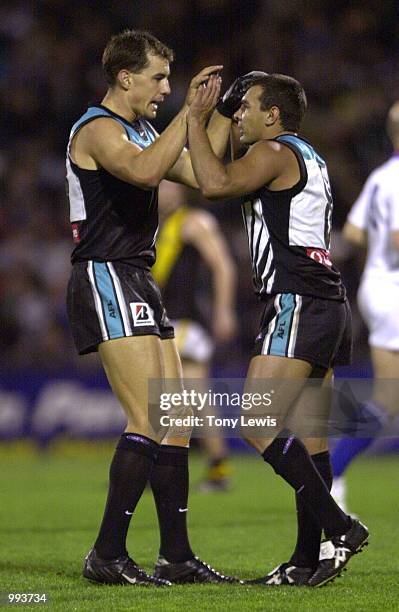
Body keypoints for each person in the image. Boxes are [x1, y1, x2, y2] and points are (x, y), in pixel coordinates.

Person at [65, 28, 240, 586]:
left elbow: (204, 178)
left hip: (137, 278)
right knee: (148, 416)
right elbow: (144, 172)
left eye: (169, 79)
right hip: (106, 273)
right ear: (125, 77)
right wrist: (186, 115)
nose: (166, 87)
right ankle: (107, 555)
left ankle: (177, 556)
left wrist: (214, 115)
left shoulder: (142, 130)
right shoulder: (97, 129)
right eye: (158, 77)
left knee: (179, 420)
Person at [186, 72, 369, 587]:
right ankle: (305, 561)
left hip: (297, 301)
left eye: (246, 107)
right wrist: (220, 118)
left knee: (256, 421)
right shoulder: (308, 155)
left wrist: (200, 119)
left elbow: (212, 183)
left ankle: (340, 528)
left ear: (274, 115)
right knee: (312, 441)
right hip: (328, 304)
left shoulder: (272, 151)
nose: (238, 114)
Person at [330, 100, 399, 511]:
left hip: (379, 288)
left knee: (388, 402)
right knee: (387, 403)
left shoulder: (380, 176)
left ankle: (332, 474)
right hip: (393, 292)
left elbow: (354, 233)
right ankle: (331, 473)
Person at [153, 180, 237, 491]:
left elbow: (223, 265)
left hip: (185, 322)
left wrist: (224, 310)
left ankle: (158, 467)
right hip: (164, 320)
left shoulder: (192, 222)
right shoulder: (156, 227)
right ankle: (217, 468)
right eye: (162, 186)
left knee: (168, 395)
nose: (168, 192)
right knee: (194, 396)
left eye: (173, 186)